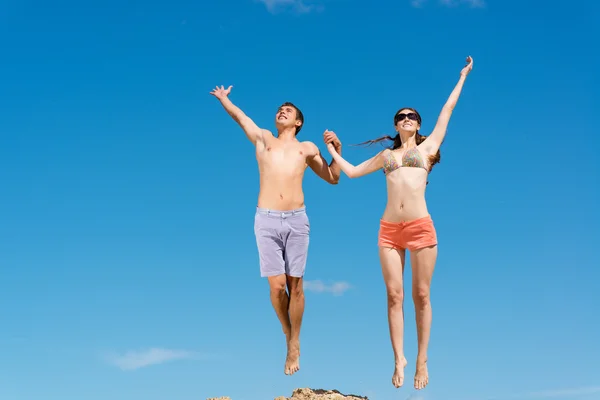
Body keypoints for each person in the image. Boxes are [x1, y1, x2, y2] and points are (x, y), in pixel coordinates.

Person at [324, 56, 474, 390]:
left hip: (421, 227)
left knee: (421, 294)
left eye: (411, 116)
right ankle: (399, 358)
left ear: (418, 124)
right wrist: (333, 149)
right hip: (389, 230)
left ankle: (422, 358)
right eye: (400, 117)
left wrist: (462, 76)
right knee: (394, 295)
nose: (405, 119)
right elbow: (350, 171)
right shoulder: (386, 157)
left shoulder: (429, 147)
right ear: (396, 125)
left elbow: (448, 109)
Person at [210, 85, 342, 376]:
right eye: (279, 109)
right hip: (266, 220)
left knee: (296, 286)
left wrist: (337, 151)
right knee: (275, 286)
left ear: (298, 122)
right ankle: (287, 329)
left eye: (289, 110)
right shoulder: (263, 139)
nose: (282, 111)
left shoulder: (306, 148)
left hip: (297, 220)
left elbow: (333, 178)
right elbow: (241, 118)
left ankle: (294, 342)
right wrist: (224, 99)